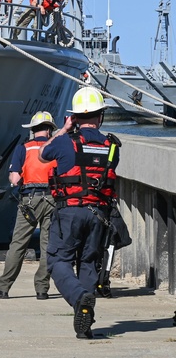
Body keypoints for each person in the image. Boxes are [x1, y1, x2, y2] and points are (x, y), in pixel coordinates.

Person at [40, 87, 121, 339]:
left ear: (73, 117)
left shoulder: (65, 141)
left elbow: (43, 155)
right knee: (88, 263)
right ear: (100, 117)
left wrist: (64, 130)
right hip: (99, 214)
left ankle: (79, 299)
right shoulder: (112, 146)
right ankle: (85, 316)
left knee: (57, 261)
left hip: (69, 213)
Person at [0, 111, 57, 300]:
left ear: (33, 130)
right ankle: (42, 289)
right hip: (52, 199)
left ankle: (3, 288)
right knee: (47, 245)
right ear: (50, 131)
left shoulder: (23, 148)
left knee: (18, 244)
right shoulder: (55, 148)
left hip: (29, 199)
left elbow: (15, 178)